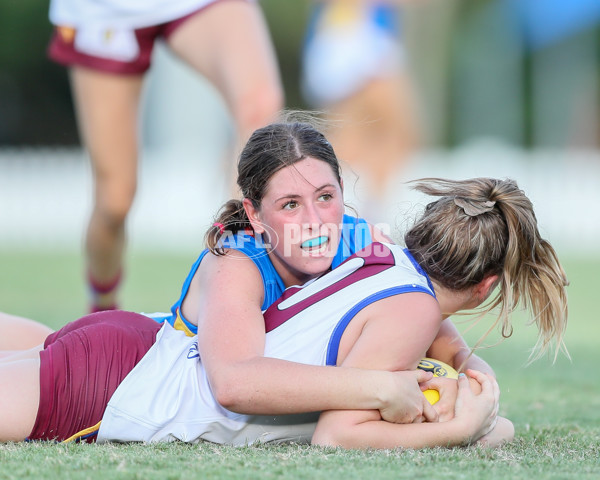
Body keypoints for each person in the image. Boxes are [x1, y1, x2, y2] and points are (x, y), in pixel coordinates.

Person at [0, 164, 568, 447]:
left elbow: (454, 351)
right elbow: (337, 437)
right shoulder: (416, 312)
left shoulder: (385, 255)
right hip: (121, 391)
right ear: (488, 286)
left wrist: (477, 387)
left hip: (141, 343)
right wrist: (455, 431)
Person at [46, 0, 284, 312]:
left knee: (259, 107)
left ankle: (230, 292)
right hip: (105, 11)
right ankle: (102, 311)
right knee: (114, 201)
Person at [301, 0, 421, 221]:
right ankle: (353, 209)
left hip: (359, 39)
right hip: (348, 38)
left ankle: (368, 208)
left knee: (373, 137)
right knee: (366, 136)